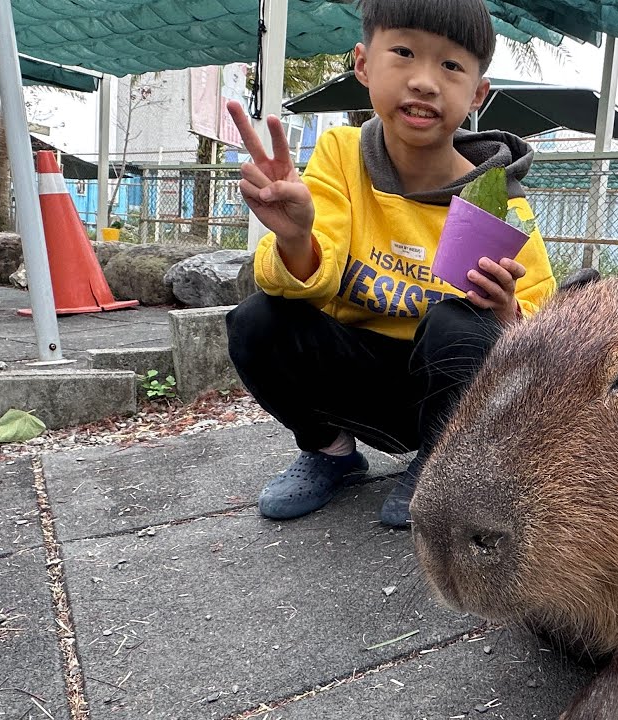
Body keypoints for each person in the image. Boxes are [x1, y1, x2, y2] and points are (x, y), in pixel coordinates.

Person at [224, 0, 556, 528]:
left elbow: (541, 330)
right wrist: (295, 239)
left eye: (451, 66)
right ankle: (330, 453)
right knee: (256, 321)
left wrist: (508, 314)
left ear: (476, 94)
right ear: (363, 64)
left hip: (447, 393)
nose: (424, 82)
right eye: (403, 52)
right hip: (355, 372)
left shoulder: (496, 197)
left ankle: (437, 464)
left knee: (461, 323)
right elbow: (314, 276)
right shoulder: (341, 153)